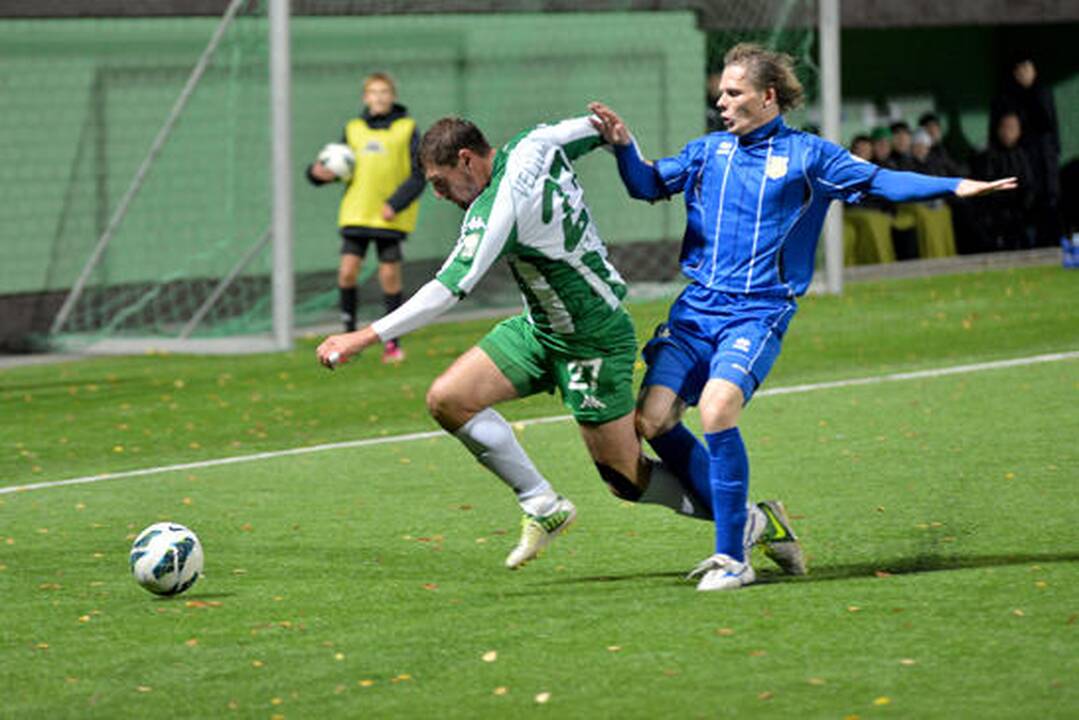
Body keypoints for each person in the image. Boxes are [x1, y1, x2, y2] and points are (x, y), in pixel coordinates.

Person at [588, 42, 1016, 591]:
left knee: (717, 409)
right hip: (695, 312)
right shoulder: (707, 152)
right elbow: (645, 184)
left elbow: (881, 181)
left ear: (768, 97)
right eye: (720, 91)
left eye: (733, 92)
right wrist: (624, 147)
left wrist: (954, 185)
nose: (720, 101)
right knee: (651, 422)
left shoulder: (812, 156)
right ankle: (753, 522)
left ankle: (732, 559)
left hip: (758, 312)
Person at [315, 115, 801, 572]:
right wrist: (610, 131)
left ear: (466, 159)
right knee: (448, 399)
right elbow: (589, 129)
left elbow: (448, 288)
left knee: (625, 480)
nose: (440, 196)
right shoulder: (531, 143)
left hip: (592, 335)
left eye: (441, 183)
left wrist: (365, 336)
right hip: (541, 327)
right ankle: (542, 505)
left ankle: (757, 522)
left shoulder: (499, 205)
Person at [307, 72, 425, 363]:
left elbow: (419, 173)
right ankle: (347, 338)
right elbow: (335, 166)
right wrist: (317, 174)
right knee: (347, 272)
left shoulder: (407, 128)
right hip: (356, 213)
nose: (379, 97)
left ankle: (392, 343)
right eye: (374, 92)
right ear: (365, 97)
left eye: (384, 92)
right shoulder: (354, 129)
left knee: (389, 276)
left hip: (388, 218)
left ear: (393, 95)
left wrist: (396, 204)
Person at [990, 56, 1062, 247]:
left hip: (1045, 163)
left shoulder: (1042, 92)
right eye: (1021, 70)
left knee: (1049, 205)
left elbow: (1048, 125)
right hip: (1023, 163)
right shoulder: (1008, 98)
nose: (1025, 74)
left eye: (1028, 69)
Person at [971, 112, 1036, 250]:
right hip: (995, 217)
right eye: (1004, 128)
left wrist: (1024, 206)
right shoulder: (988, 155)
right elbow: (986, 187)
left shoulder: (1022, 155)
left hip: (1020, 214)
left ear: (1019, 131)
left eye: (1012, 128)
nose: (1007, 132)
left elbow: (1028, 185)